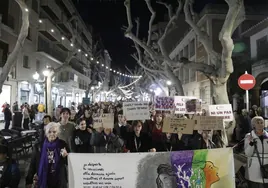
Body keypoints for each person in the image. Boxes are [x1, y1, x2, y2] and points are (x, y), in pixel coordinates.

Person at [26, 122, 69, 188]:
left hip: (58, 179)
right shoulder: (39, 146)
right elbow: (33, 164)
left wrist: (65, 157)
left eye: (54, 132)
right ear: (46, 133)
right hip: (44, 178)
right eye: (49, 132)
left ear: (57, 133)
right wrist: (29, 181)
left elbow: (68, 163)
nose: (52, 134)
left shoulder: (63, 144)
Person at [244, 116, 268, 187]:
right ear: (253, 125)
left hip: (267, 167)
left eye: (262, 122)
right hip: (254, 167)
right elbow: (248, 153)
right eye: (258, 123)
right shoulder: (249, 136)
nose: (260, 124)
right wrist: (251, 143)